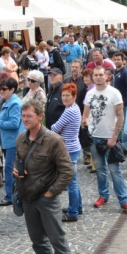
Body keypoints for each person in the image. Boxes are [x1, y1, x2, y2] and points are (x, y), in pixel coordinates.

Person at [14, 100, 75, 254]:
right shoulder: (21, 138)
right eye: (23, 116)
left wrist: (51, 193)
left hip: (46, 198)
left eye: (29, 116)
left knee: (57, 239)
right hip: (28, 197)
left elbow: (67, 171)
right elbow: (19, 162)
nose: (25, 119)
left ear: (40, 116)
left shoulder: (54, 140)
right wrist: (17, 172)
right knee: (37, 239)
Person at [82, 67, 127, 215]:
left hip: (110, 137)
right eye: (96, 75)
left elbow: (120, 116)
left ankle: (124, 201)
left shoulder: (114, 93)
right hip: (94, 138)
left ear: (106, 76)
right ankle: (103, 195)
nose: (98, 77)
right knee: (99, 169)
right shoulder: (90, 94)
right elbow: (85, 114)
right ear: (92, 77)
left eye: (101, 75)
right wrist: (86, 127)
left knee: (115, 170)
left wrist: (113, 137)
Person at [50, 83, 83, 222]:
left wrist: (56, 127)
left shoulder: (69, 111)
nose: (64, 98)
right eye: (63, 95)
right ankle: (77, 206)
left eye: (68, 96)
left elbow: (54, 128)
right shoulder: (73, 108)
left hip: (69, 149)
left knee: (71, 183)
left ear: (74, 96)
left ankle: (73, 213)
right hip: (74, 147)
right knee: (74, 181)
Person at [0, 78, 24, 207]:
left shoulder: (15, 103)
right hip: (9, 140)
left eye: (4, 89)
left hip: (13, 141)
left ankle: (10, 196)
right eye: (0, 88)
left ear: (12, 89)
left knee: (10, 169)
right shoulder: (7, 101)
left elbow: (14, 123)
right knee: (13, 168)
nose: (1, 91)